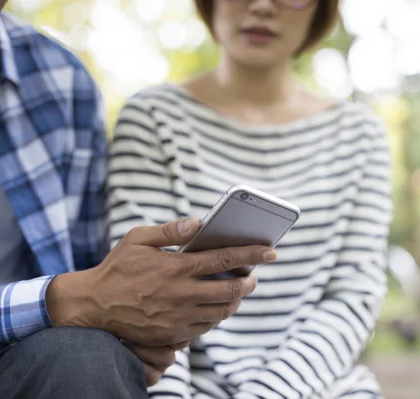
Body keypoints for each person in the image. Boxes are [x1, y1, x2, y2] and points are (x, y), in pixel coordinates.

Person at [0, 3, 272, 398]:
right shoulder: (154, 119)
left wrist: (132, 329)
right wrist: (64, 300)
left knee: (88, 356)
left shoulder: (57, 79)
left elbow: (89, 283)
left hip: (12, 368)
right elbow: (81, 295)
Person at [107, 0, 393, 397]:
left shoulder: (360, 136)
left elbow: (353, 298)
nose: (262, 5)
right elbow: (138, 289)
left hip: (323, 386)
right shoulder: (153, 117)